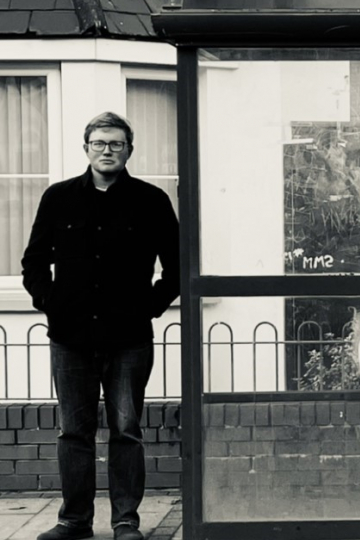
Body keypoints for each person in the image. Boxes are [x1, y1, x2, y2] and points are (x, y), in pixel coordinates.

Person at [22, 112, 180, 540]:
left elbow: (177, 267)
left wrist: (148, 306)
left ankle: (126, 521)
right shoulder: (58, 198)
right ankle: (74, 522)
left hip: (128, 338)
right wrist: (50, 303)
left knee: (126, 431)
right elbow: (33, 262)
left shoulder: (151, 201)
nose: (107, 150)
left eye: (116, 144)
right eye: (99, 143)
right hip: (69, 338)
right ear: (86, 147)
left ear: (130, 149)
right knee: (74, 432)